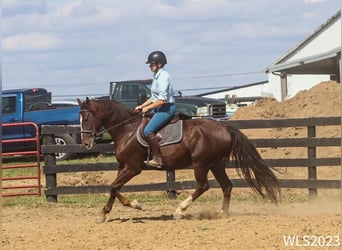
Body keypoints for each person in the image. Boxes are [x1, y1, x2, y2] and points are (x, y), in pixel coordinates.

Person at [135, 51, 176, 168]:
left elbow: (162, 99)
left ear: (159, 64)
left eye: (151, 64)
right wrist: (142, 106)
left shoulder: (163, 77)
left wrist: (148, 108)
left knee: (148, 131)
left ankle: (157, 158)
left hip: (166, 108)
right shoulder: (157, 76)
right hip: (160, 108)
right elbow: (154, 97)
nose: (149, 66)